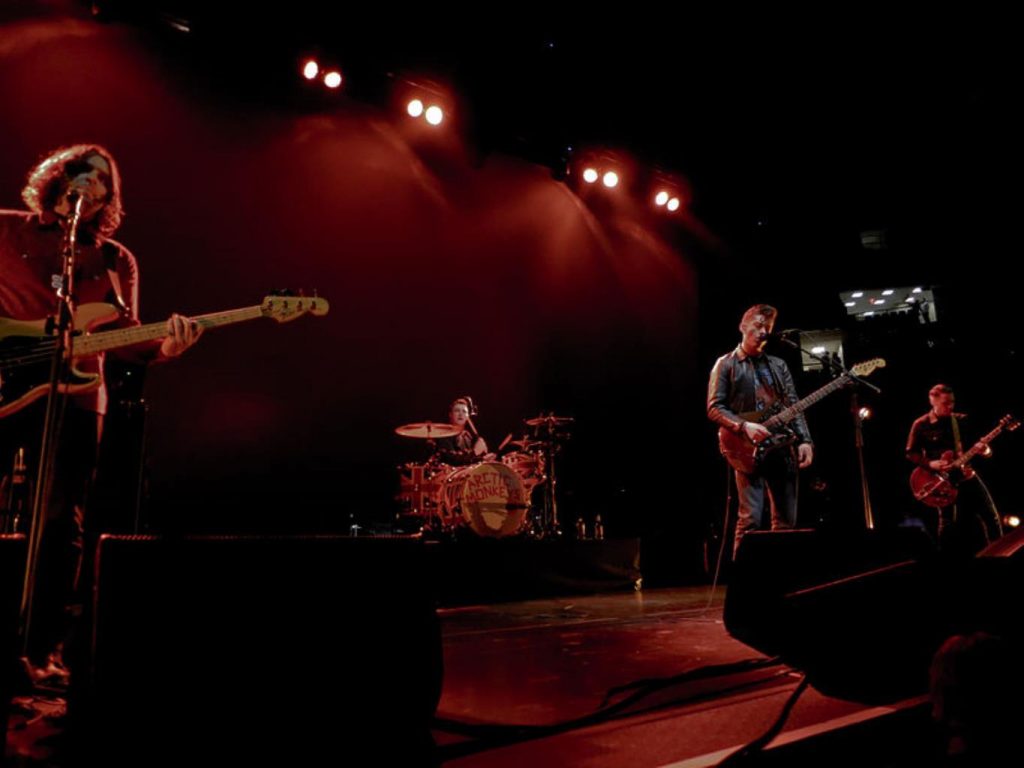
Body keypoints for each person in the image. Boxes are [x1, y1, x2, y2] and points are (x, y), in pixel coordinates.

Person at [0, 143, 202, 685]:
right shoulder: (6, 228)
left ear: (110, 197)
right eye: (78, 170)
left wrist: (165, 346)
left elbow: (122, 333)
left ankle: (40, 652)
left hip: (78, 397)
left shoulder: (115, 259)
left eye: (101, 177)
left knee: (61, 523)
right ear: (54, 176)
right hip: (5, 387)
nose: (88, 181)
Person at [707, 304, 813, 558]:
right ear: (743, 327)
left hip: (781, 446)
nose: (762, 331)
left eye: (767, 328)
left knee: (786, 522)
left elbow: (793, 404)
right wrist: (744, 426)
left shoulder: (778, 365)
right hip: (746, 449)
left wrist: (805, 440)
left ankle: (780, 583)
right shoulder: (726, 364)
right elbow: (714, 408)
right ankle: (743, 586)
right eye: (757, 326)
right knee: (750, 520)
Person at [905, 384, 997, 554]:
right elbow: (911, 453)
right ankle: (946, 565)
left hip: (966, 475)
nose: (950, 406)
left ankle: (999, 553)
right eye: (945, 403)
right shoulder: (921, 424)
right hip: (940, 480)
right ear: (933, 401)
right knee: (947, 525)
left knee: (991, 517)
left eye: (952, 402)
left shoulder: (961, 420)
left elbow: (980, 448)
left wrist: (986, 450)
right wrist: (930, 464)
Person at [431, 397, 490, 466]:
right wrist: (475, 452)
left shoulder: (468, 435)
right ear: (450, 414)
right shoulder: (443, 435)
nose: (460, 414)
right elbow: (452, 460)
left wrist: (483, 459)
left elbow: (469, 461)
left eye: (464, 411)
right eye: (457, 410)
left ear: (467, 416)